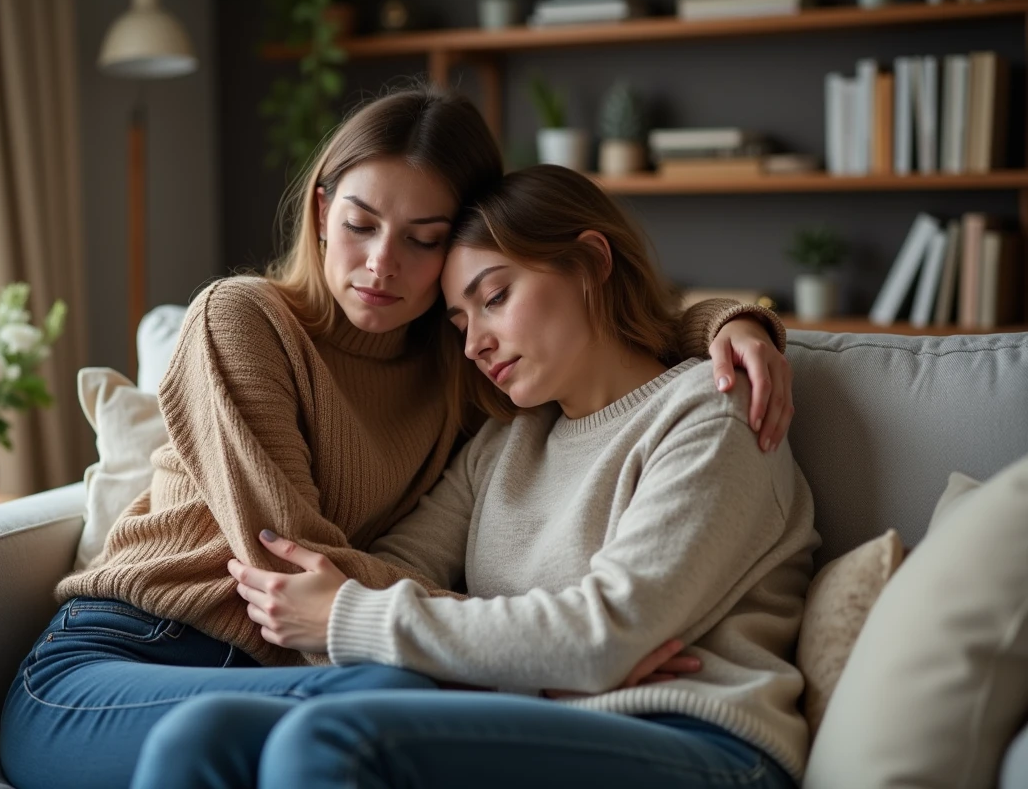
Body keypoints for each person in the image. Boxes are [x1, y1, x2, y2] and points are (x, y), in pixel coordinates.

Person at [0, 85, 794, 789]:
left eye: (424, 241)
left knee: (304, 718)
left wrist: (730, 323)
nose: (383, 264)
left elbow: (616, 339)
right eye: (360, 223)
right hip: (136, 648)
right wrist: (550, 649)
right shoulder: (244, 320)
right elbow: (291, 571)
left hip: (662, 725)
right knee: (340, 703)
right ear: (320, 211)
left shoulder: (468, 380)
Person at [179, 164, 820, 789]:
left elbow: (602, 637)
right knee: (209, 731)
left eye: (494, 298)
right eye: (459, 322)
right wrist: (537, 662)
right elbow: (396, 568)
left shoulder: (712, 411)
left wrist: (352, 620)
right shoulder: (506, 442)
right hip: (538, 714)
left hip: (699, 739)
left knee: (327, 739)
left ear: (593, 263)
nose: (473, 345)